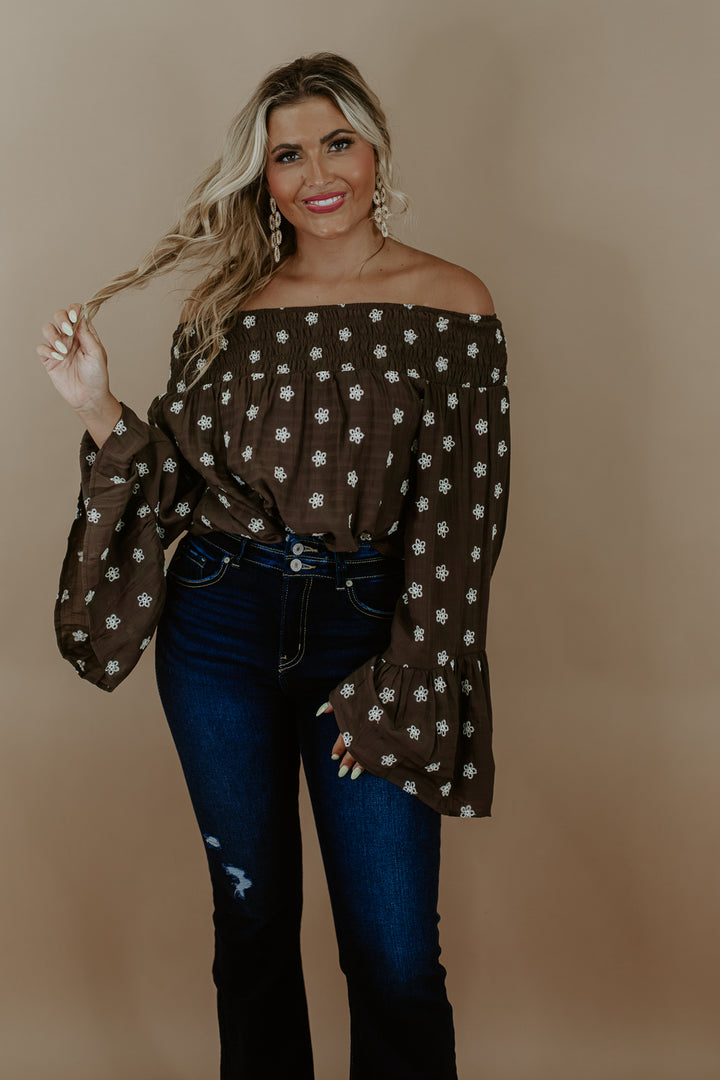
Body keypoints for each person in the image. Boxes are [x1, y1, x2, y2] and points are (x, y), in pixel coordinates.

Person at [37, 52, 511, 1080]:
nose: (316, 174)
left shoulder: (452, 303)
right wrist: (96, 403)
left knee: (394, 959)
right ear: (263, 176)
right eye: (288, 155)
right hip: (219, 625)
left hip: (367, 631)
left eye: (337, 142)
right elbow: (177, 492)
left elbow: (461, 527)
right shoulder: (225, 309)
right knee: (251, 930)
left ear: (375, 148)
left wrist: (408, 679)